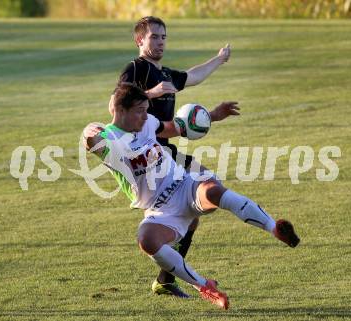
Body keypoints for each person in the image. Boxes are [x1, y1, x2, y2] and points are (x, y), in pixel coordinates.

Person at [84, 83, 300, 310]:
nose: (145, 116)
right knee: (146, 240)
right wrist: (90, 130)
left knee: (213, 192)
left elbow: (173, 128)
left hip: (184, 183)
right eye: (140, 110)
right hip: (161, 209)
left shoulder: (146, 123)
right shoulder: (110, 141)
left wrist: (213, 116)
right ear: (121, 110)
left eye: (146, 110)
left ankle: (274, 228)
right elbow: (92, 140)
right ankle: (204, 287)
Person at [108, 16, 233, 298]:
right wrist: (149, 94)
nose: (161, 41)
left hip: (167, 152)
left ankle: (166, 278)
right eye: (154, 37)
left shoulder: (166, 75)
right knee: (200, 199)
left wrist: (219, 59)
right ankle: (167, 273)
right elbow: (114, 105)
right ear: (140, 40)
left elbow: (194, 76)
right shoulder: (135, 69)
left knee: (202, 200)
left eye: (164, 36)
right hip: (148, 158)